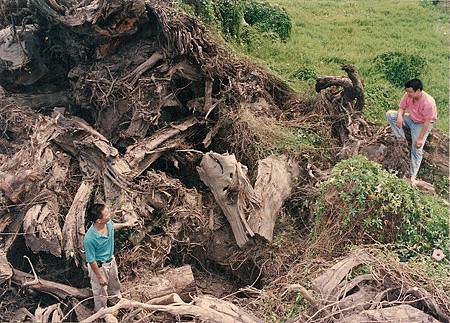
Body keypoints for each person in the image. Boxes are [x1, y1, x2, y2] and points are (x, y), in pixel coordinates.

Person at [83, 203, 137, 312]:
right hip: (99, 267)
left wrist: (127, 224)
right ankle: (101, 312)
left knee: (115, 285)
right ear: (98, 220)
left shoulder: (107, 224)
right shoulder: (90, 238)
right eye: (106, 214)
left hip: (111, 261)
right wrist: (99, 277)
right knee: (100, 292)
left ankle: (117, 303)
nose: (109, 215)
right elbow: (91, 260)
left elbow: (113, 226)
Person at [386, 78, 437, 184]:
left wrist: (420, 139)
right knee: (390, 114)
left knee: (417, 148)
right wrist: (400, 116)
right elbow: (401, 107)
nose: (407, 93)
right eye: (407, 91)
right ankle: (401, 140)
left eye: (410, 92)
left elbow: (428, 122)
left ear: (418, 90)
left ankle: (412, 175)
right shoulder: (408, 95)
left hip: (422, 124)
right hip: (411, 118)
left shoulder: (429, 102)